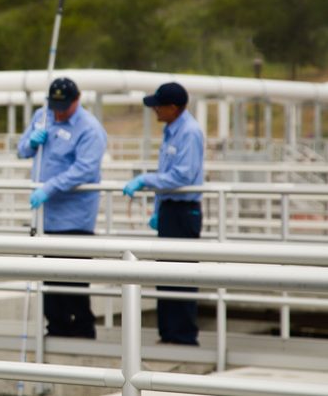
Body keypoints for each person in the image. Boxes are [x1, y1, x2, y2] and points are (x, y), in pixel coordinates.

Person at [17, 77, 107, 338]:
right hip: (46, 217)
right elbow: (21, 150)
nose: (58, 111)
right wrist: (31, 143)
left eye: (64, 106)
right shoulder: (42, 116)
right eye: (55, 105)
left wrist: (50, 187)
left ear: (77, 100)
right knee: (49, 276)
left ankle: (80, 330)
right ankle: (55, 327)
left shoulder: (89, 129)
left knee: (73, 276)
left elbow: (85, 169)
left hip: (74, 217)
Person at [122, 81, 204, 346]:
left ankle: (182, 336)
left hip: (184, 210)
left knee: (181, 274)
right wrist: (158, 209)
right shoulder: (172, 129)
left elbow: (182, 175)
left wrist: (146, 179)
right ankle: (169, 333)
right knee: (166, 274)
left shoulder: (189, 132)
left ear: (173, 107)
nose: (155, 110)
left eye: (159, 106)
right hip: (171, 208)